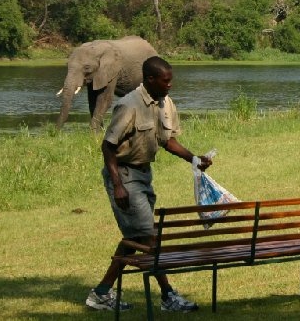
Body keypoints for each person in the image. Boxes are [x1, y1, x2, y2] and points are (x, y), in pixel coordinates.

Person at [86, 56, 213, 312]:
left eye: (171, 80)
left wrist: (194, 158)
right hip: (123, 176)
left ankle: (100, 293)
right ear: (150, 79)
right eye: (165, 81)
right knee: (148, 237)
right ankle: (168, 296)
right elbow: (108, 147)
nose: (170, 85)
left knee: (135, 236)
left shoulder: (166, 104)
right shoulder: (129, 105)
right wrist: (117, 185)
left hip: (144, 175)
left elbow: (168, 141)